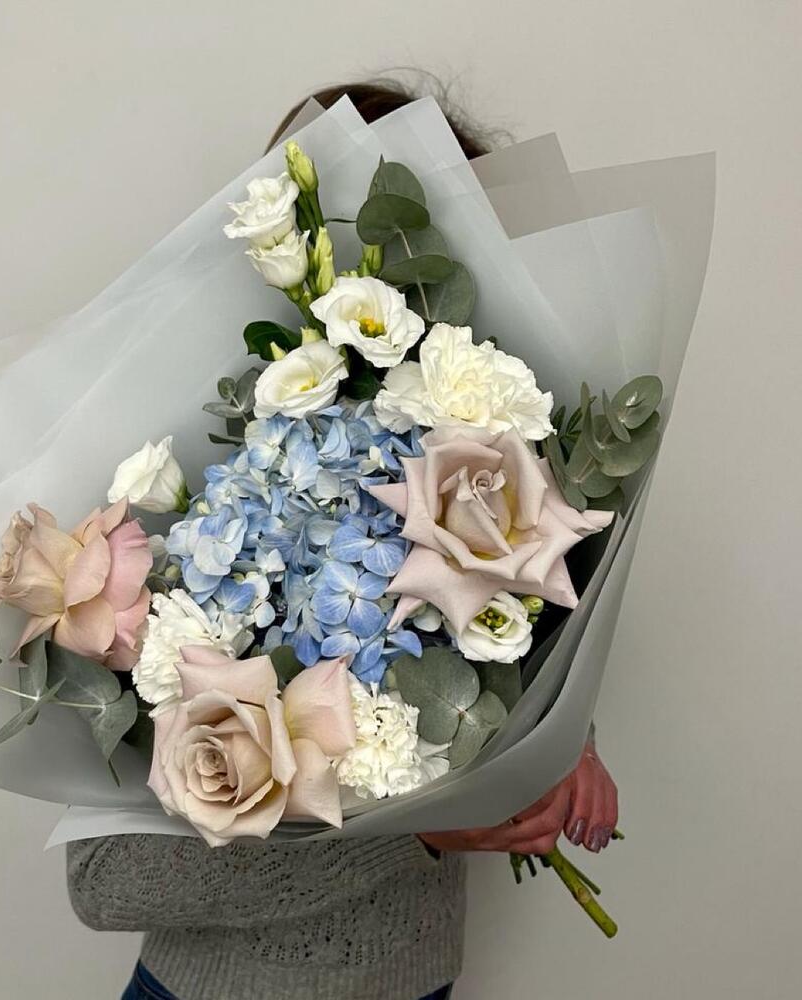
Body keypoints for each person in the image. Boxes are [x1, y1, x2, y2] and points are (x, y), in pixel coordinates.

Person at [67, 79, 620, 1000]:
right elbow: (105, 883)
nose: (416, 276)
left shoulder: (497, 475)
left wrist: (564, 748)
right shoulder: (181, 535)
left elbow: (513, 667)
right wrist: (412, 835)